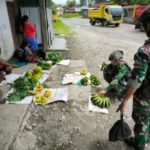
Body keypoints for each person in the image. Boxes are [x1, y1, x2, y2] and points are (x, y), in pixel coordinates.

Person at [119, 8, 150, 150]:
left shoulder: (145, 52)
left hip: (145, 96)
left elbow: (137, 79)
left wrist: (125, 100)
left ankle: (140, 145)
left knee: (141, 121)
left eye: (144, 24)